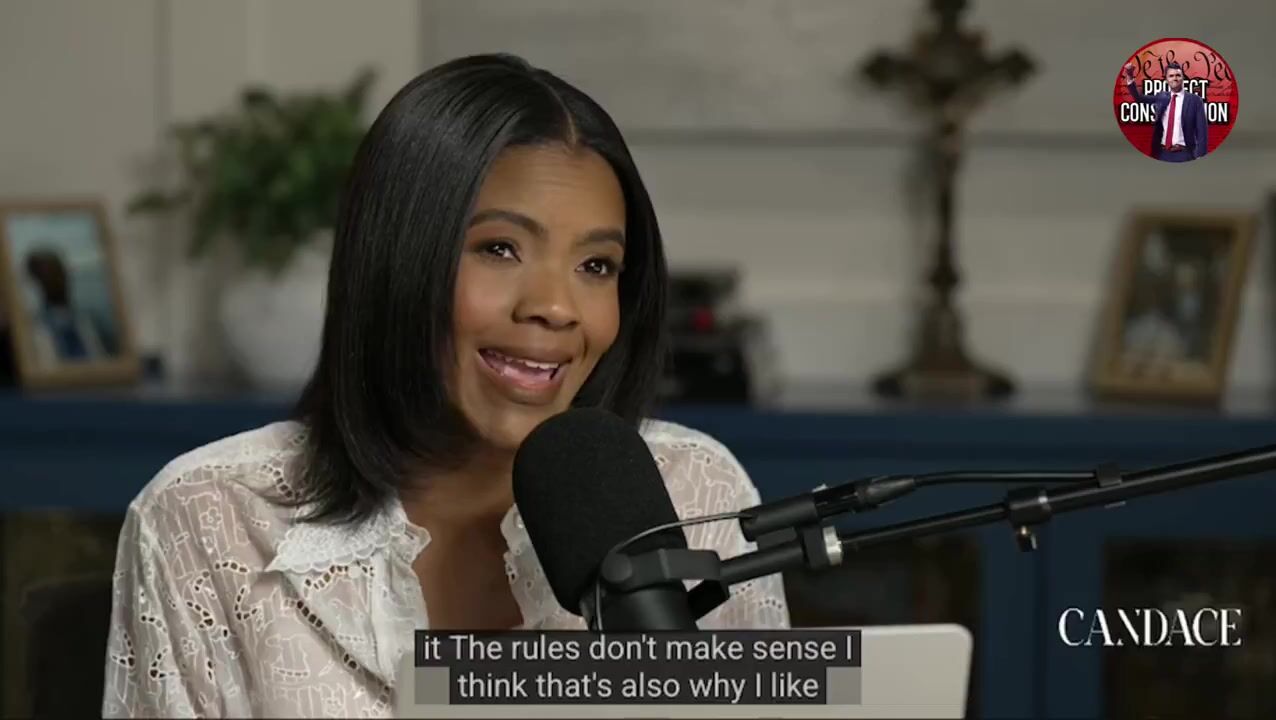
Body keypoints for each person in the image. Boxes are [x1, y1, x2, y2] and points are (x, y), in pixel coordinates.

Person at [102, 54, 789, 718]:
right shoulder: (207, 517)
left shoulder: (697, 494)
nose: (557, 307)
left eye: (597, 266)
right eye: (499, 249)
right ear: (396, 260)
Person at [24, 248, 112, 364]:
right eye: (47, 275)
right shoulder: (34, 329)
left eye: (59, 273)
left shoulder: (89, 319)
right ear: (35, 282)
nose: (58, 281)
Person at [1122, 61, 1208, 162]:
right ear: (1166, 79)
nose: (1175, 78)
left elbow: (1202, 131)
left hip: (1185, 154)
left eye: (1178, 75)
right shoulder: (1162, 97)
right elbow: (1139, 99)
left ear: (1183, 77)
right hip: (1162, 154)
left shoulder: (1195, 100)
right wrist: (1130, 76)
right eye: (1171, 76)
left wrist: (1201, 156)